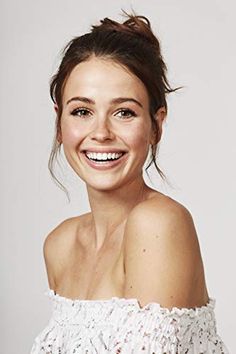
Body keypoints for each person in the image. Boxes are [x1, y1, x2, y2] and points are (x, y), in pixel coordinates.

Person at [30, 10, 229, 354]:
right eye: (81, 111)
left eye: (124, 112)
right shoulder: (59, 246)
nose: (102, 133)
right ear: (59, 123)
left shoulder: (158, 224)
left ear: (156, 126)